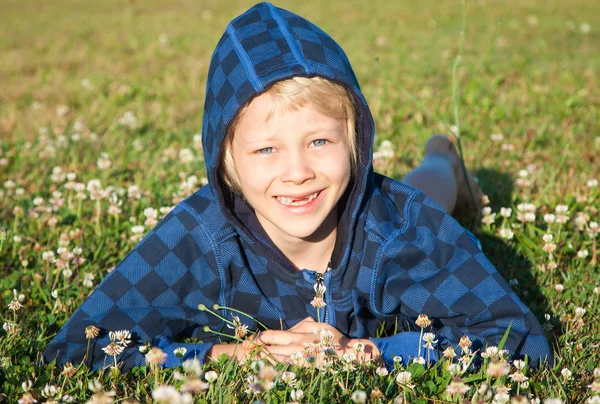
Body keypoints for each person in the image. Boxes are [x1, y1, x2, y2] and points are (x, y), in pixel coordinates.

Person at [43, 1, 552, 371]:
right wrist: (229, 355)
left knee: (424, 191)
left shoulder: (401, 227)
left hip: (399, 205)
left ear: (355, 142)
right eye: (266, 149)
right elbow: (75, 349)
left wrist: (377, 353)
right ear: (228, 161)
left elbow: (518, 337)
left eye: (320, 141)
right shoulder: (200, 238)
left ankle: (445, 160)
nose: (297, 171)